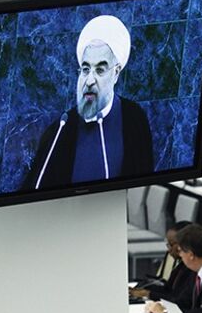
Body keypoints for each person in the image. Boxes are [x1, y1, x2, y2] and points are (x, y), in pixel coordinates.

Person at [23, 15, 153, 189]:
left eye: (100, 70)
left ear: (116, 73)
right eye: (85, 69)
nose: (89, 80)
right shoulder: (61, 128)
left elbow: (144, 184)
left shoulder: (134, 117)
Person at [129, 222, 194, 303]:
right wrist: (142, 290)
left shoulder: (192, 270)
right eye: (168, 244)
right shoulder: (180, 266)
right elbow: (167, 289)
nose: (169, 249)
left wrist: (147, 293)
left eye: (171, 245)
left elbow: (176, 298)